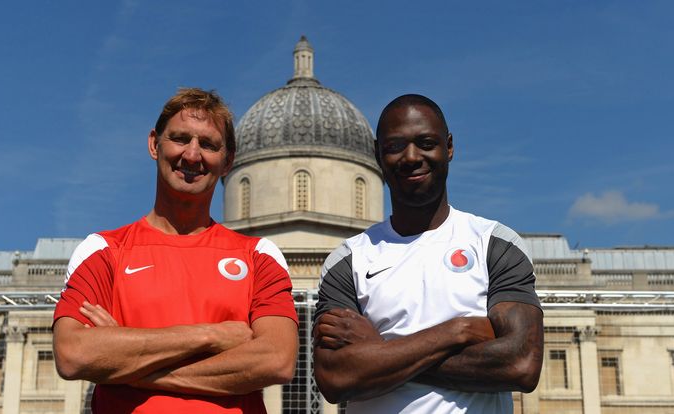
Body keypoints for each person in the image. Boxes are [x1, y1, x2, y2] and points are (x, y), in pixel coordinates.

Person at [53, 88, 299, 413]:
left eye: (209, 145)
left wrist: (126, 359)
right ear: (155, 144)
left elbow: (276, 361)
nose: (193, 155)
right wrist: (211, 336)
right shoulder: (103, 249)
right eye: (180, 139)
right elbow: (73, 355)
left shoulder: (260, 254)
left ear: (228, 161)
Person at [313, 94, 543, 413]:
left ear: (448, 147)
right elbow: (334, 379)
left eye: (425, 142)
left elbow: (521, 364)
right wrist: (458, 331)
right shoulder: (347, 260)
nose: (411, 157)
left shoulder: (496, 243)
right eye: (395, 146)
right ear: (377, 154)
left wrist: (379, 352)